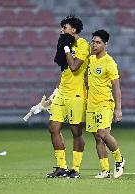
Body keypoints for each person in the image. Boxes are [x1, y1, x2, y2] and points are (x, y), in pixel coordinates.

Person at [46, 16, 90, 178]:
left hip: (76, 94)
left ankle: (75, 169)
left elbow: (74, 67)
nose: (61, 30)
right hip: (63, 92)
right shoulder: (67, 44)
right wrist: (55, 92)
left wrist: (66, 48)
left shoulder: (83, 45)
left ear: (73, 29)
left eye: (64, 27)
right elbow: (64, 70)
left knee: (75, 131)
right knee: (53, 127)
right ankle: (61, 166)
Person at [86, 29, 125, 179]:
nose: (94, 45)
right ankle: (105, 170)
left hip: (105, 103)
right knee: (97, 137)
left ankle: (119, 160)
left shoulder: (109, 63)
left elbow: (117, 87)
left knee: (103, 133)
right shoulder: (91, 59)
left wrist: (118, 109)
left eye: (98, 42)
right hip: (92, 104)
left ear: (105, 44)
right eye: (93, 42)